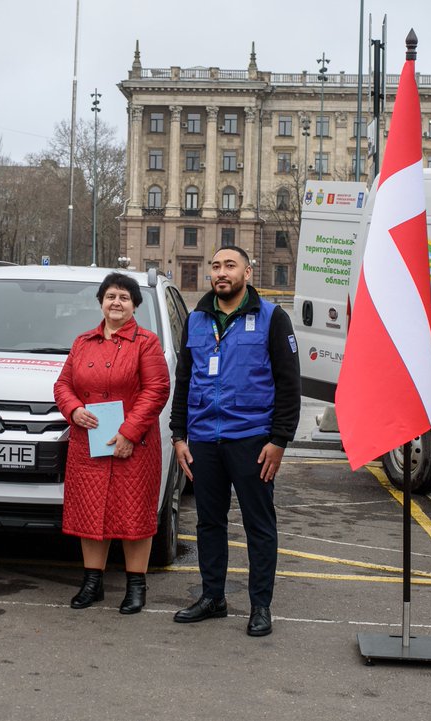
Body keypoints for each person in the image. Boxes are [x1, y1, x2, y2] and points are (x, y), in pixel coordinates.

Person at [170, 245, 300, 636]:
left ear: (247, 272)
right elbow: (184, 381)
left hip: (252, 441)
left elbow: (290, 385)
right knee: (209, 522)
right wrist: (179, 435)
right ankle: (213, 597)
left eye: (230, 265)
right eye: (216, 266)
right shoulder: (196, 319)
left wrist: (279, 440)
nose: (221, 272)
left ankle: (260, 606)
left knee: (259, 525)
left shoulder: (272, 318)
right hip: (205, 440)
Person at [54, 273, 171, 614]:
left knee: (134, 516)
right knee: (90, 514)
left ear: (135, 305)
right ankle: (92, 583)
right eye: (110, 296)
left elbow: (156, 391)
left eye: (123, 297)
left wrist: (129, 432)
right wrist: (73, 410)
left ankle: (136, 586)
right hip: (88, 442)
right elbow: (63, 385)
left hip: (133, 445)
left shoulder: (146, 343)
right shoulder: (82, 342)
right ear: (101, 303)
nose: (116, 302)